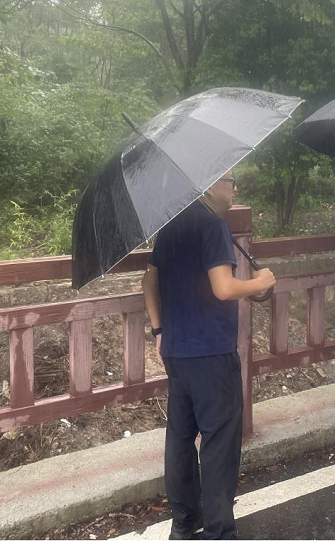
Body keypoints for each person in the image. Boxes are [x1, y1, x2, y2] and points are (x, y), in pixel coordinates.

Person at [141, 170, 276, 540]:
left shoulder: (170, 226)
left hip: (177, 351)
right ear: (209, 184)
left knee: (180, 439)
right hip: (212, 353)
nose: (234, 188)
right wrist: (260, 282)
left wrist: (159, 331)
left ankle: (184, 523)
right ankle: (219, 532)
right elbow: (223, 288)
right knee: (218, 445)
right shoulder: (213, 226)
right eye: (230, 180)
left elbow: (148, 282)